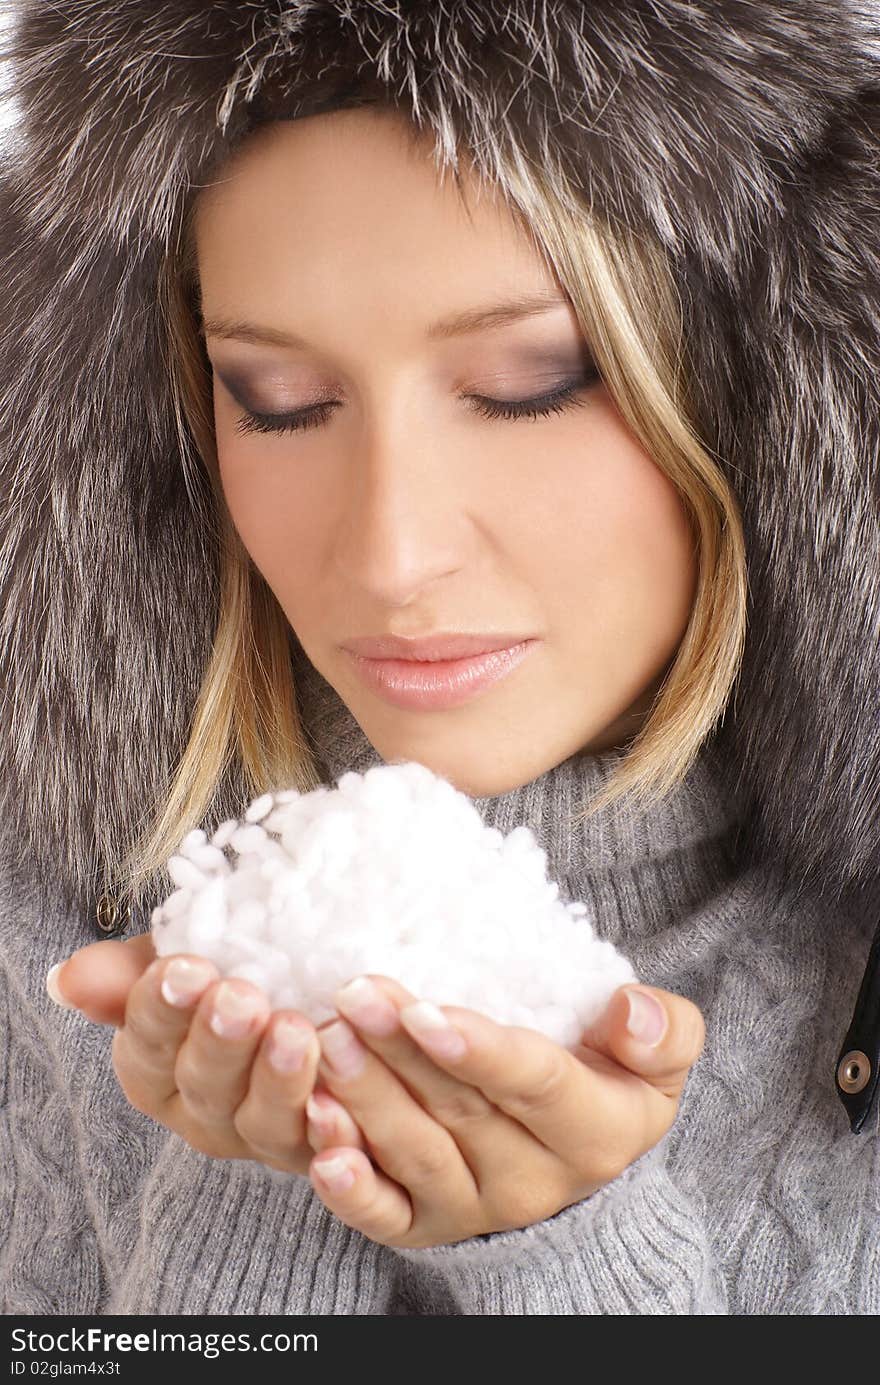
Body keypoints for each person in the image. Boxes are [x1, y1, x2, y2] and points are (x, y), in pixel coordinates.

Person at [0, 0, 877, 1316]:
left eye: (531, 380)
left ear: (765, 388)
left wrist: (573, 1253)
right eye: (277, 401)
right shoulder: (58, 937)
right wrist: (273, 1122)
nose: (392, 553)